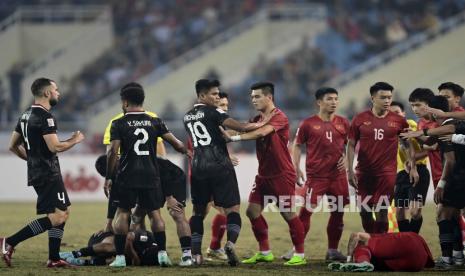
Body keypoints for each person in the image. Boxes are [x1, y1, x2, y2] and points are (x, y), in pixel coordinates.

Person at [1, 78, 84, 267]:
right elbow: (55, 147)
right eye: (56, 89)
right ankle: (10, 241)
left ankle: (54, 258)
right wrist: (75, 140)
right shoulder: (46, 117)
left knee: (61, 212)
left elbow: (13, 145)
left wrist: (31, 160)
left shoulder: (25, 115)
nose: (58, 93)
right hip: (48, 173)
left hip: (37, 172)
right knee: (59, 216)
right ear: (47, 93)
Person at [105, 82, 189, 267]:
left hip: (127, 174)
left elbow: (112, 152)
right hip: (151, 174)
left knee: (123, 212)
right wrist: (186, 151)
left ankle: (119, 258)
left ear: (125, 102)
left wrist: (109, 176)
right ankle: (162, 254)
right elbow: (176, 143)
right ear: (142, 100)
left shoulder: (118, 123)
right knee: (155, 214)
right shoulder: (154, 121)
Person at [184, 79, 267, 266]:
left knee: (197, 213)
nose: (217, 97)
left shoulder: (187, 116)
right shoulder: (214, 112)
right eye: (214, 94)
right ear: (202, 95)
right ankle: (229, 244)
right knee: (232, 209)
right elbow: (242, 127)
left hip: (197, 167)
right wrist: (264, 122)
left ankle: (196, 255)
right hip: (220, 165)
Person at [222, 82, 307, 266]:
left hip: (282, 174)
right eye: (252, 97)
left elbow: (261, 133)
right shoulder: (257, 118)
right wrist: (219, 132)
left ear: (269, 97)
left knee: (288, 214)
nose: (253, 100)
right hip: (263, 176)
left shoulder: (280, 117)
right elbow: (244, 127)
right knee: (252, 212)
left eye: (257, 96)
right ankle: (265, 252)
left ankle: (300, 254)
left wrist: (234, 137)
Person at [283, 87, 349, 262]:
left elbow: (350, 145)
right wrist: (296, 167)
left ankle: (332, 250)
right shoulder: (308, 123)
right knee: (306, 213)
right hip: (316, 177)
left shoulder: (343, 122)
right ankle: (296, 250)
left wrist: (347, 160)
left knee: (338, 212)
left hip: (338, 176)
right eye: (329, 99)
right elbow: (297, 145)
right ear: (319, 102)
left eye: (336, 98)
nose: (334, 102)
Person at [401, 96, 465, 268]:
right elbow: (432, 143)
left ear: (432, 110)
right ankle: (458, 257)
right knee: (453, 215)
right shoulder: (445, 127)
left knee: (443, 215)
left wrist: (441, 185)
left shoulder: (448, 126)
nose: (420, 110)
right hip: (458, 178)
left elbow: (450, 160)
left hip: (456, 179)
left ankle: (447, 259)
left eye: (423, 107)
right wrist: (415, 135)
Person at [347, 82, 418, 234]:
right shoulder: (360, 119)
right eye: (383, 97)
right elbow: (351, 144)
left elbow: (407, 144)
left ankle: (380, 246)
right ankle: (373, 240)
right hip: (363, 173)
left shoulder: (398, 120)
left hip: (386, 174)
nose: (387, 101)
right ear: (373, 98)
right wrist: (350, 170)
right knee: (364, 213)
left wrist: (413, 166)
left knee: (382, 211)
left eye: (389, 97)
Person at [390, 99, 430, 233]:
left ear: (403, 113)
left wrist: (412, 164)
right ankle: (407, 242)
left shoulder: (411, 125)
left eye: (397, 112)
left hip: (418, 170)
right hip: (401, 174)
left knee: (414, 212)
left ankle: (413, 241)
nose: (394, 116)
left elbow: (428, 149)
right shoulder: (388, 131)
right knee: (400, 212)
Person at [328, 231, 434, 272]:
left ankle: (363, 263)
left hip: (406, 245)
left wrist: (349, 259)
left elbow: (356, 235)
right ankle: (363, 263)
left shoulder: (373, 239)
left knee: (360, 245)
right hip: (419, 261)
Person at [59, 228, 159, 266]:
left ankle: (86, 262)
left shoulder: (151, 259)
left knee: (124, 260)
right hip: (102, 240)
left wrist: (134, 258)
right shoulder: (146, 237)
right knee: (117, 246)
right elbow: (128, 238)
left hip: (103, 255)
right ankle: (75, 253)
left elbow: (135, 262)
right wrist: (134, 256)